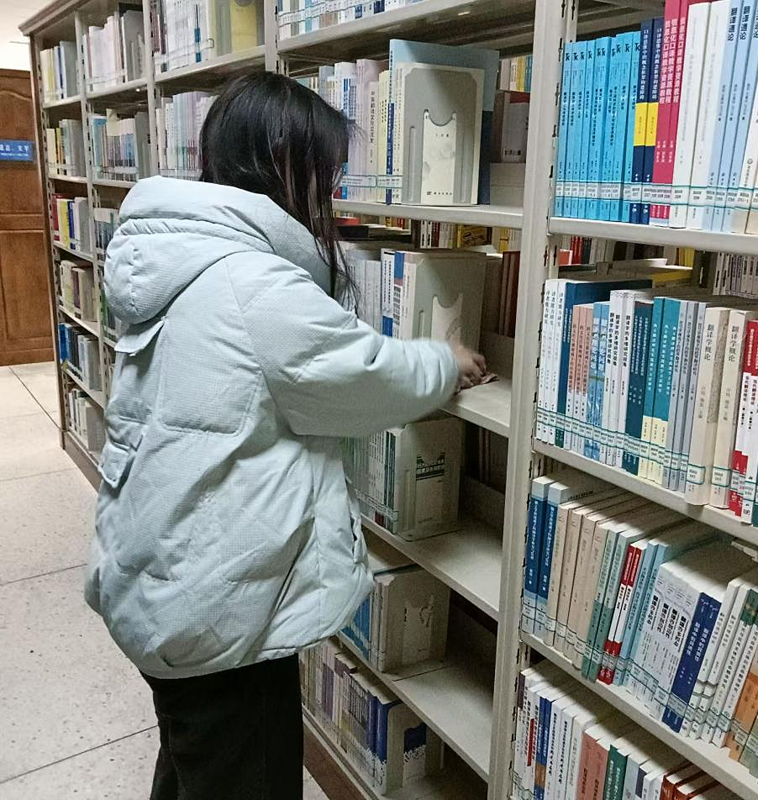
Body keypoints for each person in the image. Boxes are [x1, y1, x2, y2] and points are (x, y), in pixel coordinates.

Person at [84, 70, 486, 800]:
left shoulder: (180, 257)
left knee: (195, 763)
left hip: (165, 582)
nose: (331, 190)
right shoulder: (255, 283)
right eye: (325, 171)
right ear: (282, 163)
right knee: (244, 775)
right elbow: (363, 375)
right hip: (219, 616)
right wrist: (445, 361)